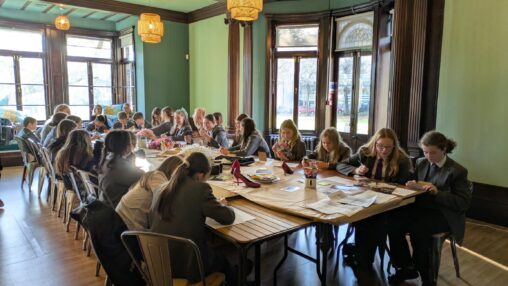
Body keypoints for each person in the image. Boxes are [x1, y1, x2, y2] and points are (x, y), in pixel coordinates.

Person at [387, 131, 471, 286]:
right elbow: (416, 188)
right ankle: (407, 266)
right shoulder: (421, 162)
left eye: (433, 152)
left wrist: (437, 193)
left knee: (419, 231)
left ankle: (427, 279)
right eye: (425, 152)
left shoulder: (457, 171)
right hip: (421, 209)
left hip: (444, 214)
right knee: (392, 223)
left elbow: (462, 203)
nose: (428, 156)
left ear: (444, 149)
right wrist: (411, 185)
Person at [150, 152, 236, 284]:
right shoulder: (200, 189)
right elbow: (227, 217)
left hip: (158, 262)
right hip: (186, 264)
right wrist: (222, 205)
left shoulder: (161, 188)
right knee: (223, 258)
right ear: (200, 175)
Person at [336, 128, 411, 272]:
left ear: (394, 146)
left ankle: (363, 259)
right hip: (366, 199)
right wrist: (356, 171)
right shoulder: (365, 153)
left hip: (391, 204)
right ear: (374, 143)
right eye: (380, 146)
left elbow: (404, 185)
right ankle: (363, 259)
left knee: (373, 221)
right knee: (363, 218)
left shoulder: (402, 160)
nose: (383, 150)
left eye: (388, 147)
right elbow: (341, 165)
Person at [116, 156, 183, 230]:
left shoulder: (153, 174)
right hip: (128, 224)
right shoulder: (157, 176)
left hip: (123, 217)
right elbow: (163, 196)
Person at [98, 130, 143, 208]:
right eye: (129, 143)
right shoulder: (119, 165)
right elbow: (143, 176)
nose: (131, 146)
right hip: (117, 207)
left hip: (106, 201)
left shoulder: (107, 160)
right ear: (124, 146)